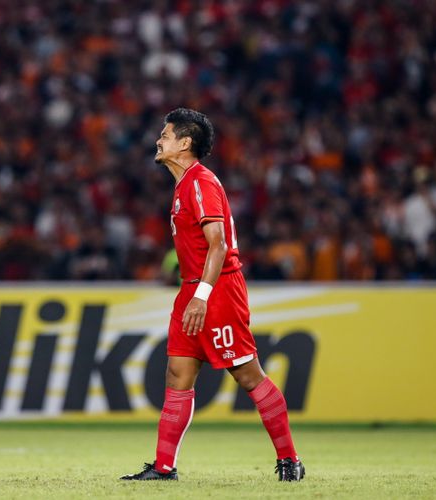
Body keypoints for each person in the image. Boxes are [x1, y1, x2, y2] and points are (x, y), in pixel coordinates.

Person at [121, 108, 305, 482]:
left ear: (185, 143)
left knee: (248, 376)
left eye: (166, 134)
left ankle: (290, 460)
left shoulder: (200, 182)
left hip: (217, 290)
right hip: (193, 289)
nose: (159, 140)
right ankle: (164, 466)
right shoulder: (183, 185)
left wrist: (203, 296)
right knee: (177, 373)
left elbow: (217, 245)